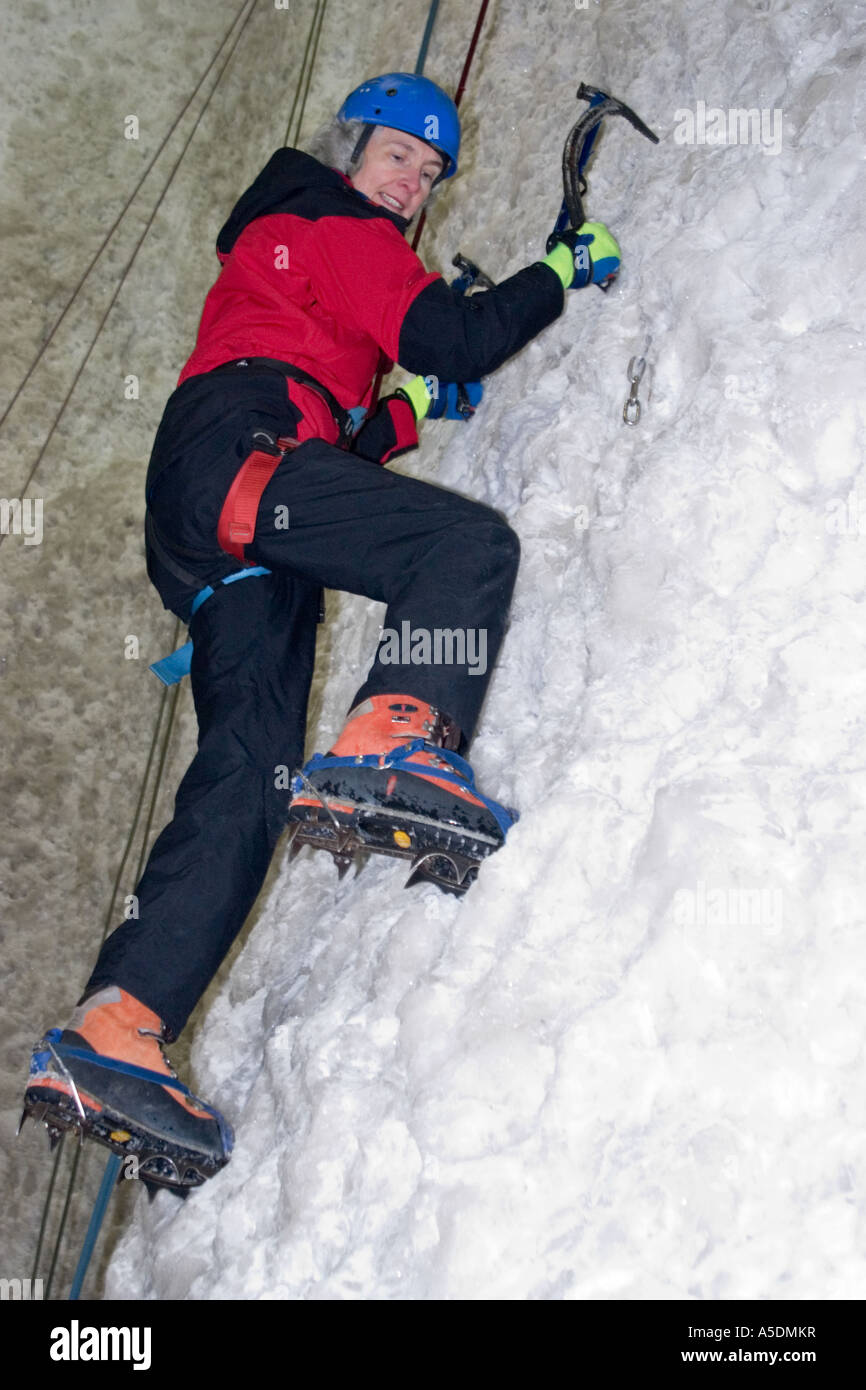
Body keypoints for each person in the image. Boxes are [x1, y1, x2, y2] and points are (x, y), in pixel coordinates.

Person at [24, 73, 621, 1191]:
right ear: (350, 152)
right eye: (400, 157)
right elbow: (450, 332)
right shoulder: (325, 215)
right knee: (464, 551)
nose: (412, 187)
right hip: (240, 457)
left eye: (431, 173)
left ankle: (117, 1023)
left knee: (251, 775)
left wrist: (401, 414)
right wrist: (560, 268)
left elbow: (339, 429)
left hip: (228, 514)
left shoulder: (296, 261)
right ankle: (394, 736)